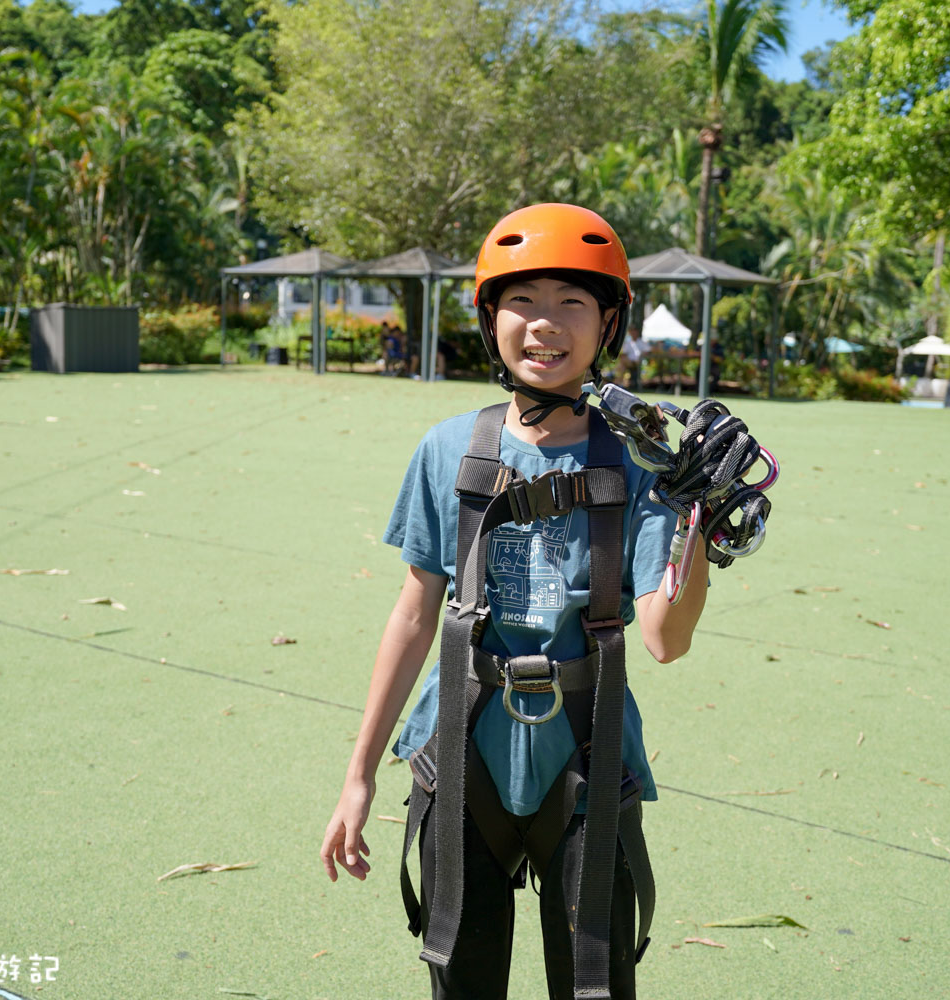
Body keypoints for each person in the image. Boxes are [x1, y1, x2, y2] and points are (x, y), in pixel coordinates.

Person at [320, 204, 765, 1000]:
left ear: (609, 323)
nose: (544, 325)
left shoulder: (640, 466)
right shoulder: (449, 450)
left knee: (595, 986)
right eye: (522, 301)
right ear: (491, 318)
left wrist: (693, 513)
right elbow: (416, 614)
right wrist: (358, 775)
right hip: (458, 752)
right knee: (462, 982)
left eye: (572, 303)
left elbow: (665, 638)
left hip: (588, 759)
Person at [614, 325, 648, 390]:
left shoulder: (642, 342)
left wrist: (642, 355)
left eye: (634, 331)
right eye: (631, 332)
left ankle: (618, 382)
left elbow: (648, 351)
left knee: (622, 364)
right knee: (622, 363)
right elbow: (624, 353)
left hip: (638, 362)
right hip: (629, 362)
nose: (633, 333)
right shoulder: (628, 343)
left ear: (637, 332)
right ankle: (619, 383)